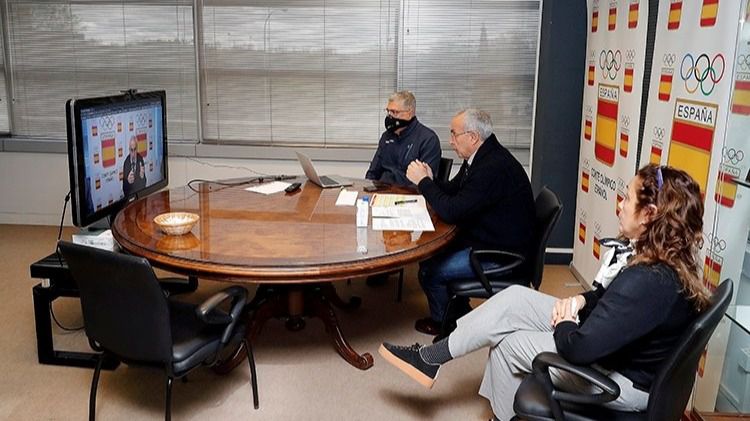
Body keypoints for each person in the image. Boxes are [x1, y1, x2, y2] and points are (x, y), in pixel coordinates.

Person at [380, 164, 711, 421]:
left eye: (627, 197)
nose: (620, 205)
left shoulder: (648, 281)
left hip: (621, 379)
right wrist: (582, 299)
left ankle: (503, 416)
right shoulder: (661, 260)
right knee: (513, 298)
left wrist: (566, 321)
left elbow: (580, 349)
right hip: (610, 343)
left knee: (509, 343)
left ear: (649, 215)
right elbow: (611, 299)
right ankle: (431, 359)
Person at [404, 108, 535, 335]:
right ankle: (458, 311)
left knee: (430, 271)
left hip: (498, 254)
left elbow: (452, 211)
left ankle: (444, 324)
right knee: (431, 257)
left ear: (473, 137)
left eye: (454, 134)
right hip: (488, 238)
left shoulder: (491, 167)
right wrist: (432, 180)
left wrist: (424, 183)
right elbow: (455, 192)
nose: (450, 141)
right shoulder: (480, 156)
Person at [366, 91, 441, 187]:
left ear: (409, 113)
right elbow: (373, 172)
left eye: (394, 112)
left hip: (409, 195)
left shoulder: (428, 139)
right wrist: (368, 190)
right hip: (382, 192)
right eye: (388, 111)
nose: (390, 116)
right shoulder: (386, 137)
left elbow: (425, 182)